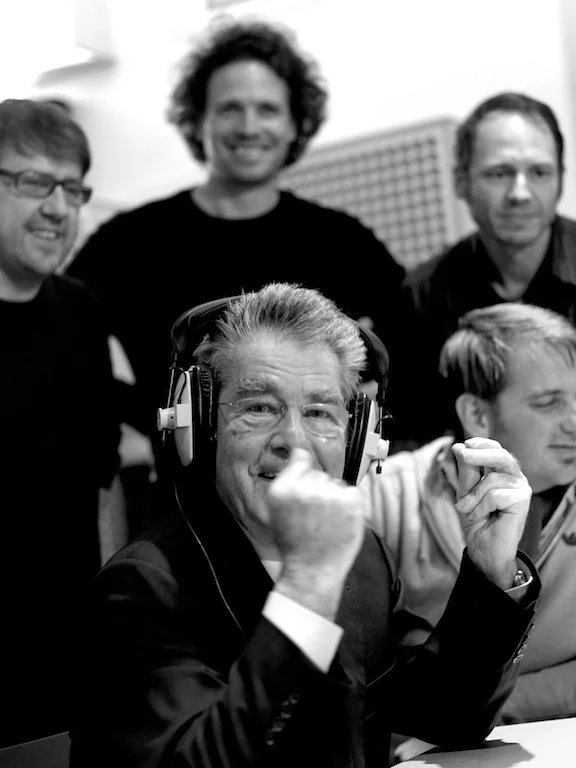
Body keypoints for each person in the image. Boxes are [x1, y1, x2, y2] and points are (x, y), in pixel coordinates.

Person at [70, 282, 540, 768]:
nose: (293, 441)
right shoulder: (143, 588)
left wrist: (491, 569)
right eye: (258, 408)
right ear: (200, 427)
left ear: (361, 441)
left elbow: (446, 714)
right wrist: (308, 587)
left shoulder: (360, 555)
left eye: (319, 413)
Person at [66, 18, 404, 449]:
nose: (248, 127)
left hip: (313, 478)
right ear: (197, 122)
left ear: (294, 125)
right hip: (179, 490)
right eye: (229, 109)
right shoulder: (129, 242)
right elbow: (63, 340)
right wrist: (152, 418)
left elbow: (405, 351)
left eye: (267, 109)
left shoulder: (343, 242)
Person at [362, 302, 576, 725]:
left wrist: (496, 710)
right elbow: (364, 676)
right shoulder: (387, 495)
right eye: (549, 403)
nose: (574, 422)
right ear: (477, 414)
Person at [0, 98, 120, 747]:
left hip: (72, 657)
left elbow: (102, 486)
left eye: (71, 188)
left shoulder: (79, 312)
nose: (56, 207)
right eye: (31, 182)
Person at [387, 91, 576, 449]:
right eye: (500, 173)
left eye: (539, 172)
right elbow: (411, 434)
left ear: (560, 180)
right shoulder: (421, 296)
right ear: (461, 182)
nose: (520, 193)